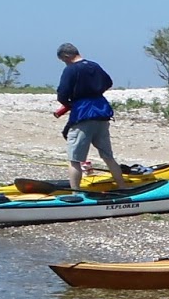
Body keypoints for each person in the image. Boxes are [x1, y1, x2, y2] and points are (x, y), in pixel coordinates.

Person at [55, 43, 128, 189]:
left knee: (74, 159)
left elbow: (62, 93)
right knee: (108, 156)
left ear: (66, 56)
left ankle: (76, 193)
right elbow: (108, 82)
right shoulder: (94, 65)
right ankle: (122, 187)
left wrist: (69, 103)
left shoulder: (70, 70)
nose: (65, 62)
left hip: (83, 113)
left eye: (64, 60)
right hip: (101, 111)